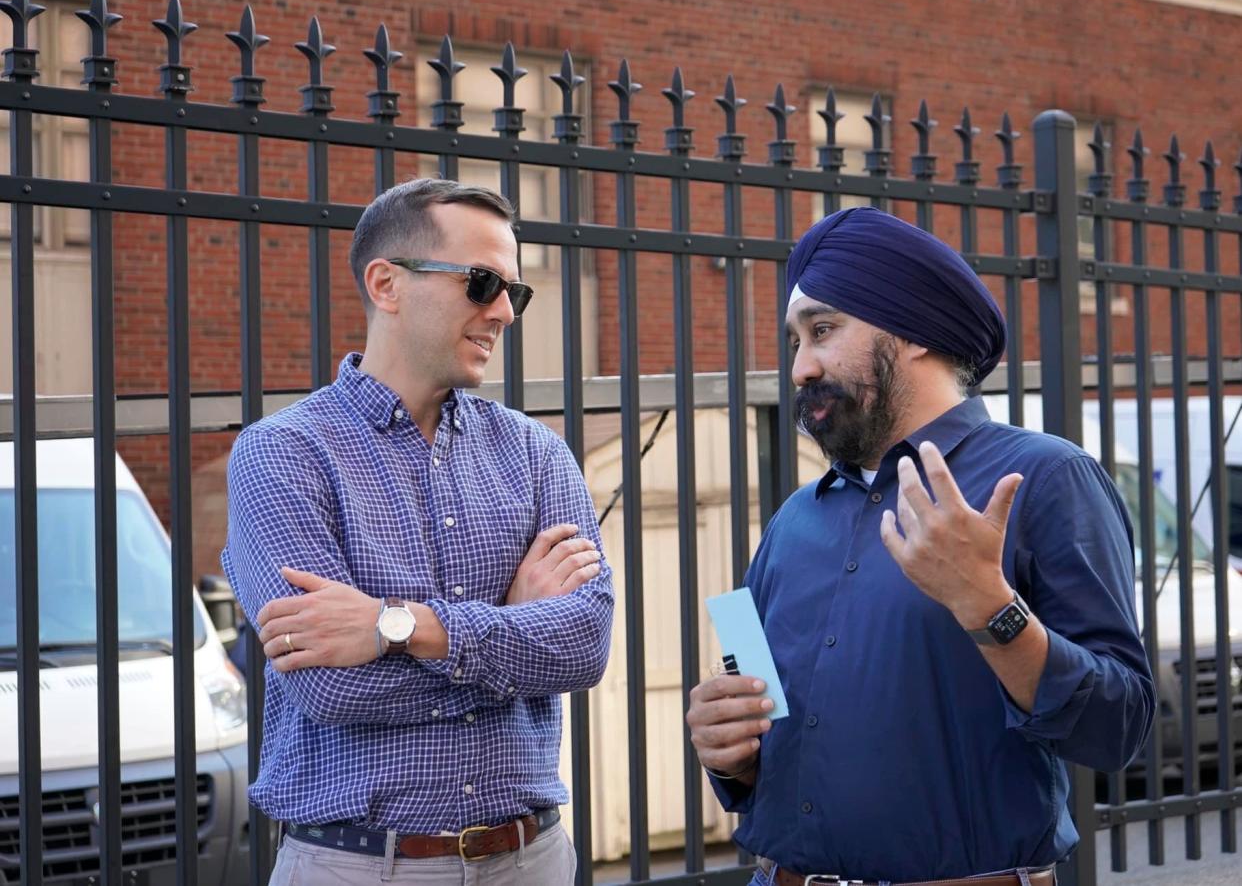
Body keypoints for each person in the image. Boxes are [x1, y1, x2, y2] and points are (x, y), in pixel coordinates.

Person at [685, 207, 1154, 886]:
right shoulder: (790, 522)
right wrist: (725, 749)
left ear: (910, 332)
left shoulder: (1049, 477)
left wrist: (991, 607)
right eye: (793, 341)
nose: (800, 367)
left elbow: (1121, 728)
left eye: (822, 330)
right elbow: (751, 717)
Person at [222, 178, 613, 885]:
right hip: (359, 865)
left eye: (513, 293)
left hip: (533, 860)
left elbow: (583, 645)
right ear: (386, 284)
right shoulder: (282, 455)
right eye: (483, 282)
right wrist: (511, 628)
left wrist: (399, 627)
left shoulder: (535, 453)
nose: (504, 312)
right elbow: (332, 691)